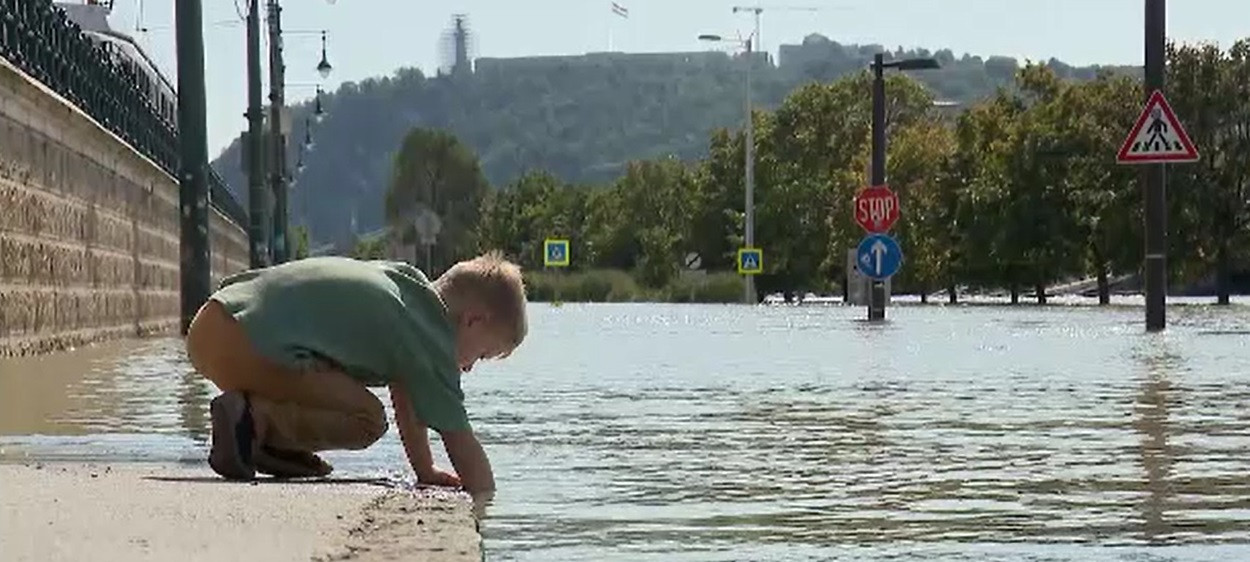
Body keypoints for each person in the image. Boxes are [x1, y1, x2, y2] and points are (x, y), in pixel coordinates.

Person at [182, 251, 527, 495]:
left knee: (337, 384)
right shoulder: (431, 337)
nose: (468, 367)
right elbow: (460, 441)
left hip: (212, 321)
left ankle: (257, 439)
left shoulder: (405, 285)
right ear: (473, 319)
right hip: (246, 342)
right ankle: (254, 423)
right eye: (481, 355)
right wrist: (488, 501)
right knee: (368, 420)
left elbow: (405, 396)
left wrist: (425, 471)